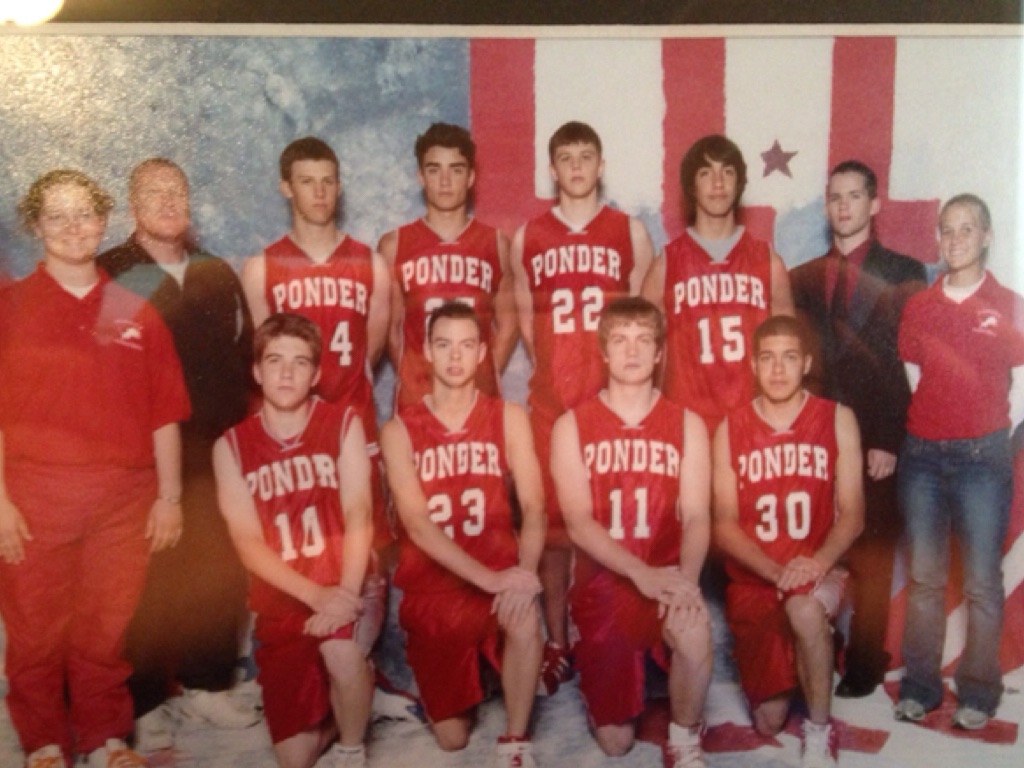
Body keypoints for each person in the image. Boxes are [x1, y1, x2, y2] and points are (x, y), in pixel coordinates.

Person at [0, 170, 190, 768]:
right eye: (57, 216)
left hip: (124, 499)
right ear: (36, 226)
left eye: (84, 213)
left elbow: (165, 413)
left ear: (105, 220)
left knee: (106, 628)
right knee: (35, 629)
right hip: (36, 496)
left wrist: (170, 498)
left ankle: (108, 739)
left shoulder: (136, 308)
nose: (73, 227)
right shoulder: (10, 306)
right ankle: (45, 744)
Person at [97, 158, 259, 746]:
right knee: (147, 574)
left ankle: (207, 685)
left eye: (177, 191)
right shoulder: (114, 271)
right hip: (144, 452)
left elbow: (243, 353)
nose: (168, 201)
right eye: (153, 192)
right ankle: (143, 699)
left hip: (215, 449)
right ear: (133, 206)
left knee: (216, 566)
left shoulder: (216, 271)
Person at [509, 120, 654, 695]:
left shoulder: (628, 231)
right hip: (552, 402)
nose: (576, 166)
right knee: (551, 531)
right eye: (565, 157)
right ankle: (556, 640)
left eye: (586, 156)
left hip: (611, 403)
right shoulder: (529, 235)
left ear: (600, 165)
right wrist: (557, 370)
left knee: (612, 521)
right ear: (552, 168)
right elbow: (527, 323)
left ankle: (606, 634)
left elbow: (643, 320)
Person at [380, 302, 545, 767]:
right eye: (444, 345)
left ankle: (515, 742)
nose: (455, 356)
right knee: (452, 739)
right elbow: (417, 525)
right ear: (427, 352)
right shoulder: (399, 430)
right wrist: (491, 580)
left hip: (498, 580)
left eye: (467, 345)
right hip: (434, 592)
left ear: (481, 354)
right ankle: (480, 675)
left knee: (524, 617)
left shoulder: (507, 416)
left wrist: (523, 574)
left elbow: (535, 507)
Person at [550, 297, 712, 768]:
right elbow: (578, 522)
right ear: (603, 352)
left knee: (694, 629)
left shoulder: (687, 424)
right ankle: (606, 677)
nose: (633, 351)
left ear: (660, 352)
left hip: (667, 575)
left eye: (644, 340)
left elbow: (697, 515)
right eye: (620, 341)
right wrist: (641, 574)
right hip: (604, 586)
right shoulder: (571, 425)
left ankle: (684, 739)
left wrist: (687, 581)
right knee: (616, 743)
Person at [213, 313, 378, 768]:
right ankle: (356, 695)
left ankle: (352, 748)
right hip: (286, 601)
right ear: (257, 371)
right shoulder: (230, 446)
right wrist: (316, 596)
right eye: (275, 361)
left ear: (316, 373)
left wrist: (343, 596)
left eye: (300, 362)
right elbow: (248, 543)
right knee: (294, 759)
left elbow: (359, 513)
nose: (286, 373)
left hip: (348, 583)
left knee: (341, 652)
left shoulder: (342, 423)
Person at [789, 160, 926, 698]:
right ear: (827, 206)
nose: (843, 206)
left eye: (854, 196)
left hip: (876, 435)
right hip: (818, 434)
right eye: (835, 197)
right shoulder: (802, 277)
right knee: (816, 541)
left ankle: (866, 661)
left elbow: (906, 362)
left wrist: (889, 438)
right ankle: (815, 649)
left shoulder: (904, 271)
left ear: (874, 204)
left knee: (872, 552)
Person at [894, 194, 1024, 730]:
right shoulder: (919, 306)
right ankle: (921, 687)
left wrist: (995, 435)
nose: (956, 240)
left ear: (987, 236)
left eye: (967, 229)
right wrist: (937, 425)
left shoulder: (1009, 304)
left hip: (982, 459)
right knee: (926, 578)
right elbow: (912, 372)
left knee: (980, 582)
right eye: (947, 230)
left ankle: (978, 691)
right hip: (923, 457)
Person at [713, 315, 864, 768]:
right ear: (753, 365)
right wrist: (776, 571)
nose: (778, 369)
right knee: (769, 722)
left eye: (790, 357)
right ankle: (807, 656)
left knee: (803, 609)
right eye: (768, 358)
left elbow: (853, 515)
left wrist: (817, 563)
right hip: (758, 579)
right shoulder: (730, 428)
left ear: (807, 364)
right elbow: (724, 525)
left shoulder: (836, 418)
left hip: (818, 569)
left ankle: (819, 729)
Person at [240, 136, 391, 554]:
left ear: (339, 187)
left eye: (328, 181)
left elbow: (371, 348)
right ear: (286, 188)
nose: (320, 192)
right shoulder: (262, 268)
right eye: (307, 182)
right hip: (291, 432)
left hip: (354, 420)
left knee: (367, 553)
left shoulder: (371, 264)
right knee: (300, 551)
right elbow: (267, 361)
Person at [642, 133, 794, 433]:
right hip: (686, 422)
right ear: (691, 186)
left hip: (753, 420)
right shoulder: (666, 264)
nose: (718, 183)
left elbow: (789, 350)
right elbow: (644, 349)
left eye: (727, 172)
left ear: (739, 183)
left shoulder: (768, 262)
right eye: (705, 173)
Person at [377, 122, 518, 410]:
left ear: (470, 177)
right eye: (434, 170)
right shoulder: (394, 245)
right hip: (417, 399)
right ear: (421, 176)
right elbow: (389, 329)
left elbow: (509, 325)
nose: (445, 181)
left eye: (455, 170)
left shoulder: (496, 244)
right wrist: (412, 375)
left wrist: (484, 373)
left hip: (479, 398)